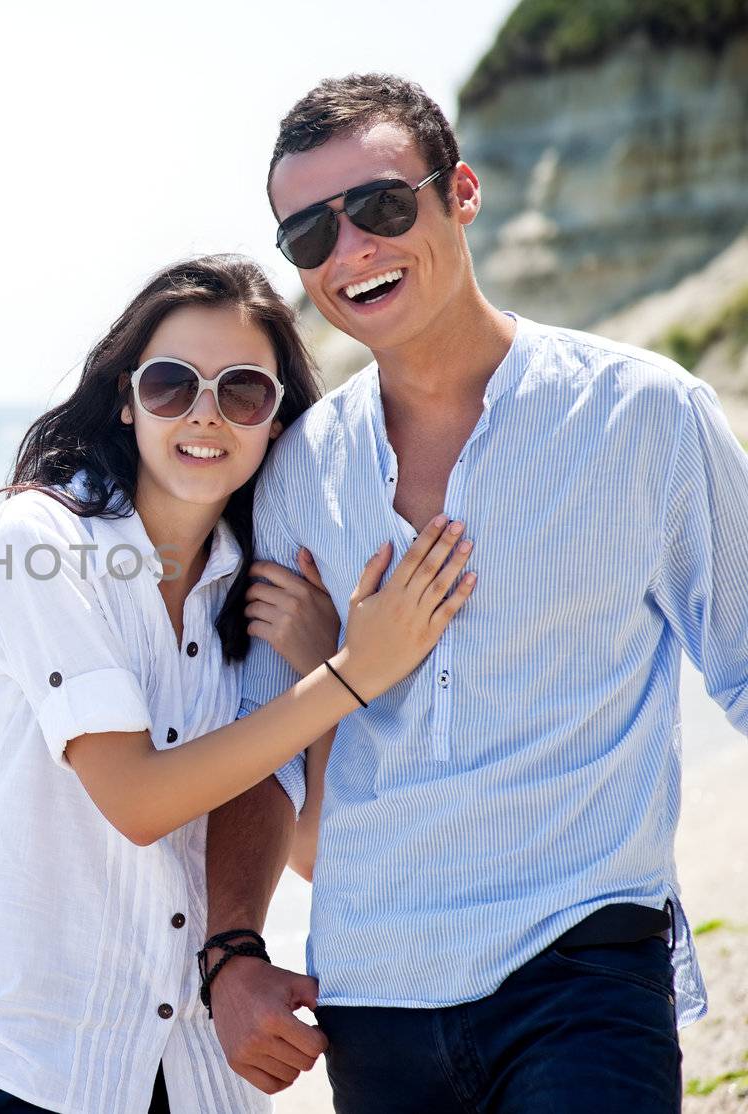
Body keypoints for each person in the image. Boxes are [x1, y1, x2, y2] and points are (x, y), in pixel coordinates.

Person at [231, 73, 748, 1113]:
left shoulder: (644, 415)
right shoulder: (295, 475)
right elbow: (260, 763)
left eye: (380, 207)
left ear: (460, 192)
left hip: (582, 961)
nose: (352, 252)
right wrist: (231, 955)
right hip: (371, 992)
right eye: (308, 236)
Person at [0, 253, 477, 1114]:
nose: (206, 415)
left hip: (202, 1072)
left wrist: (324, 682)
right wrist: (356, 673)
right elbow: (137, 800)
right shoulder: (40, 538)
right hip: (26, 1058)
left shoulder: (277, 590)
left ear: (276, 422)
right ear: (127, 400)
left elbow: (315, 853)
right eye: (173, 385)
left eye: (242, 392)